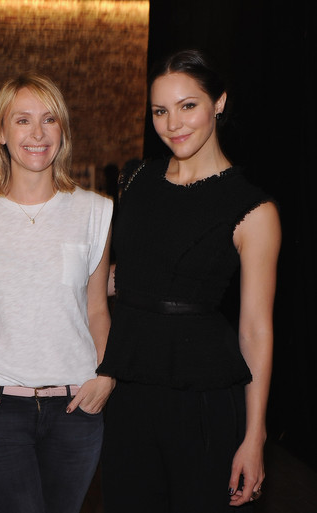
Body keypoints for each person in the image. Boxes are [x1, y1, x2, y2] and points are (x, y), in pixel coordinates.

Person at [98, 49, 281, 513]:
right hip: (128, 392)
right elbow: (127, 277)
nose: (172, 124)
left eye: (188, 106)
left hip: (203, 401)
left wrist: (255, 436)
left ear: (219, 102)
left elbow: (255, 330)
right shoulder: (135, 178)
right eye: (160, 111)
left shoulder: (254, 209)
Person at [0, 72, 114, 513]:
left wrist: (107, 372)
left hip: (76, 407)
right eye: (22, 120)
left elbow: (97, 309)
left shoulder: (94, 211)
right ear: (1, 132)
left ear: (63, 130)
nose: (37, 133)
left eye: (49, 119)